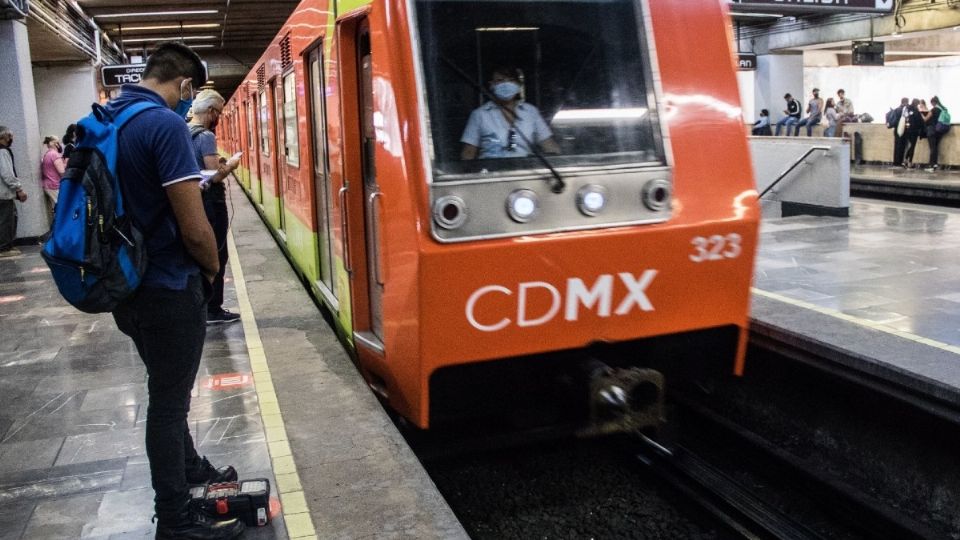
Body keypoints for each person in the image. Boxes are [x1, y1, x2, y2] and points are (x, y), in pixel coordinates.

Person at [104, 43, 244, 540]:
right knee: (168, 404)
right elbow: (194, 226)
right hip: (167, 283)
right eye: (192, 92)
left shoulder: (109, 118)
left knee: (167, 389)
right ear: (185, 85)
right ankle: (176, 520)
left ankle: (191, 470)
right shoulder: (163, 125)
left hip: (127, 286)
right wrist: (209, 274)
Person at [188, 89, 241, 324]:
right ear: (210, 112)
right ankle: (213, 309)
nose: (218, 117)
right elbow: (214, 175)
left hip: (195, 199)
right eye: (218, 112)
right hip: (212, 202)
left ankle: (201, 305)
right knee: (218, 252)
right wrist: (230, 164)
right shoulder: (206, 136)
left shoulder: (184, 130)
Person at [461, 66, 560, 159]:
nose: (506, 84)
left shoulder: (531, 112)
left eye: (511, 80)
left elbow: (550, 146)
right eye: (500, 81)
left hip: (525, 171)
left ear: (518, 85)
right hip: (491, 173)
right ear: (491, 85)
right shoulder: (479, 115)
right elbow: (468, 154)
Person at [0, 126, 27, 256]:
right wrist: (18, 188)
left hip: (3, 193)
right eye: (10, 136)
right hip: (3, 194)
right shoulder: (3, 152)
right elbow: (7, 174)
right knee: (6, 221)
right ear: (3, 137)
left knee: (7, 219)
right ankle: (4, 248)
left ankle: (6, 246)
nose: (12, 138)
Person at [40, 135, 65, 224]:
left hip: (47, 184)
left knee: (55, 207)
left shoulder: (47, 154)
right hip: (54, 185)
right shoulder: (54, 154)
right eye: (58, 143)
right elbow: (62, 172)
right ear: (56, 144)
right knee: (62, 207)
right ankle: (60, 227)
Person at [922, 96, 945, 172]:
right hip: (939, 130)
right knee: (935, 147)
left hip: (932, 130)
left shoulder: (934, 110)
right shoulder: (942, 109)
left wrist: (921, 114)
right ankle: (935, 164)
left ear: (933, 102)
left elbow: (926, 119)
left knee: (932, 148)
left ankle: (931, 165)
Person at [903, 99, 923, 168]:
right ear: (916, 103)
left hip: (908, 130)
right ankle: (909, 161)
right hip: (914, 130)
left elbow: (905, 118)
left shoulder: (907, 109)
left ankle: (906, 159)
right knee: (912, 146)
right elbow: (919, 120)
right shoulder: (915, 110)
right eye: (918, 104)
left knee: (911, 145)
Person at [891, 98, 911, 167]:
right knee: (901, 147)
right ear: (905, 102)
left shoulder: (896, 109)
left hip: (896, 130)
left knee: (896, 146)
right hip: (902, 130)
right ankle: (899, 162)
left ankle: (895, 162)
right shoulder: (904, 110)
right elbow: (907, 120)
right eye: (907, 102)